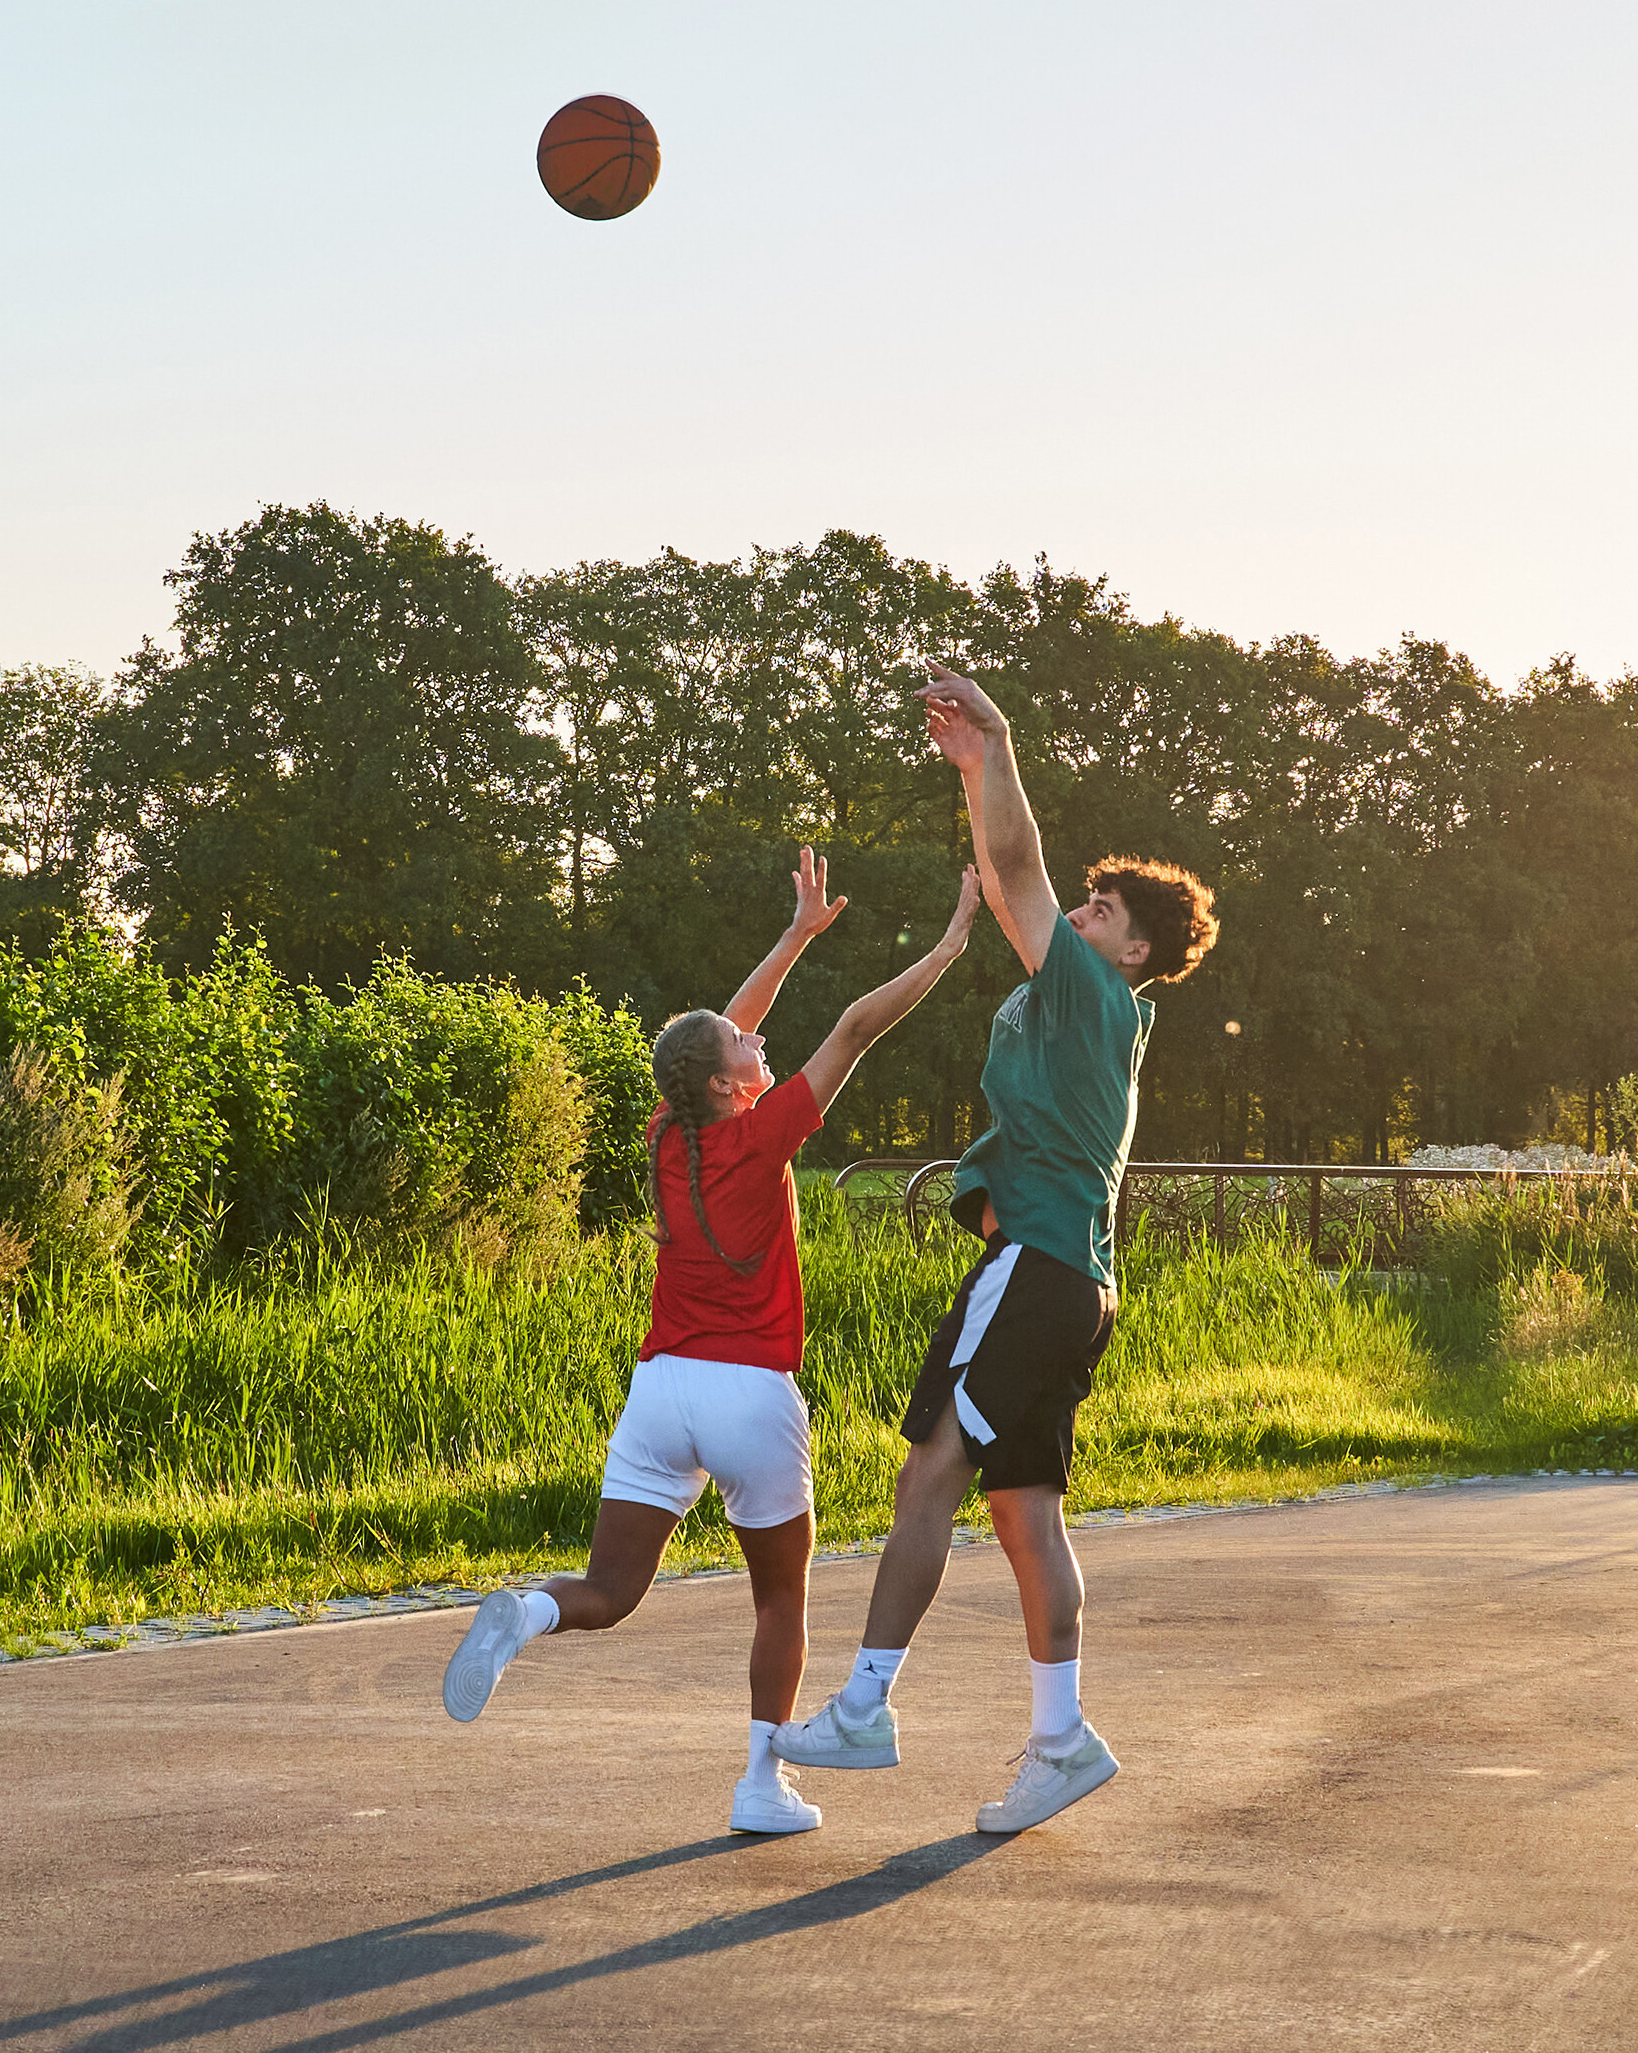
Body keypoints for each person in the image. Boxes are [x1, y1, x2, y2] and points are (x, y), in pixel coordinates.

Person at [444, 846, 984, 1837]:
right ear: (732, 1086)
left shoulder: (669, 1130)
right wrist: (953, 941)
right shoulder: (761, 1129)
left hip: (659, 1395)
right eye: (749, 1051)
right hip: (750, 1398)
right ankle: (759, 1784)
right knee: (780, 1599)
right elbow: (855, 1026)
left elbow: (720, 1034)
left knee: (609, 1588)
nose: (760, 1046)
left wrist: (796, 935)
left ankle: (528, 1613)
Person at [775, 659, 1219, 1835]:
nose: (1077, 916)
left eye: (1101, 914)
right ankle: (1062, 1741)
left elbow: (1016, 866)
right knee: (1024, 1513)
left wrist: (993, 749)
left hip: (1040, 1271)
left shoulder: (1094, 998)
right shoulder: (1086, 1008)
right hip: (1068, 1278)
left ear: (1127, 953)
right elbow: (1023, 888)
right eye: (1084, 906)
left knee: (929, 1469)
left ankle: (867, 1707)